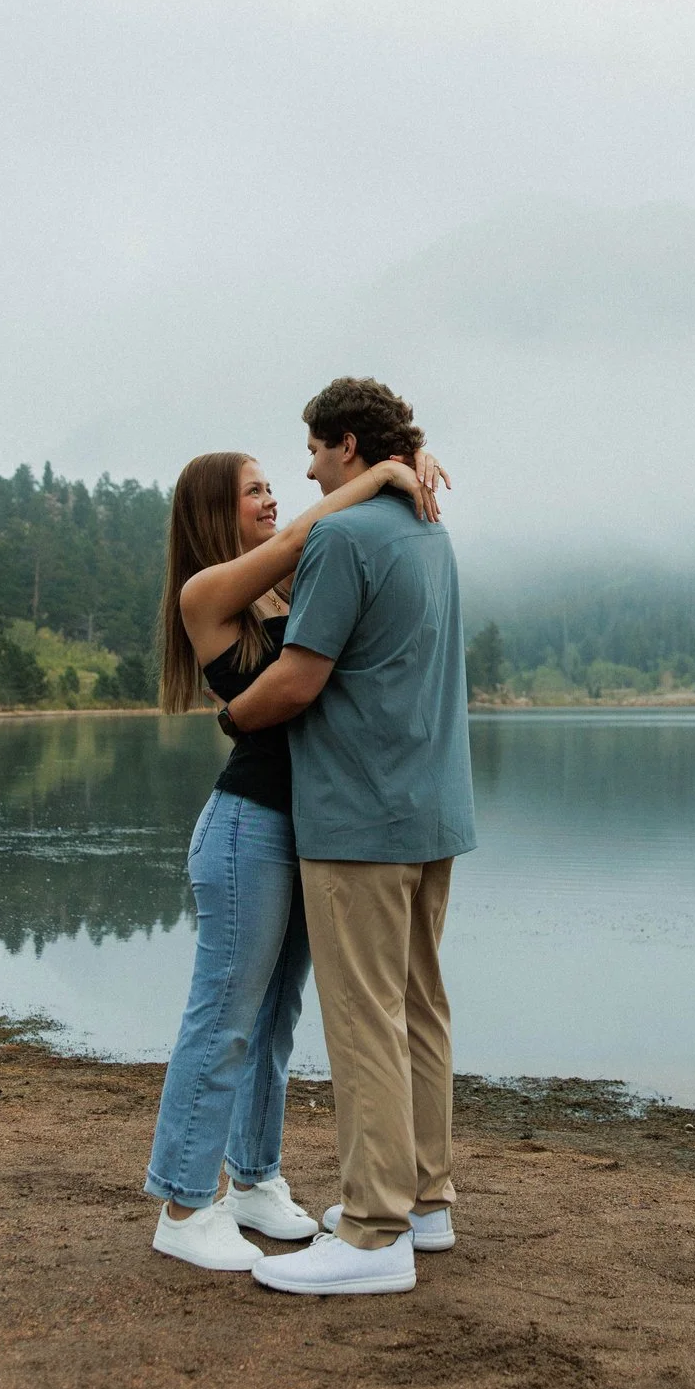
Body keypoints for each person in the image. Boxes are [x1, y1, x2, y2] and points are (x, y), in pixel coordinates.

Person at [142, 443, 446, 1271]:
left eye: (276, 486)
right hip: (248, 827)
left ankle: (253, 1179)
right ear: (214, 511)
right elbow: (299, 543)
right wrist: (379, 474)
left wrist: (398, 457)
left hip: (309, 826)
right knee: (224, 1017)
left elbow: (320, 556)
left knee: (274, 1019)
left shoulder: (281, 586)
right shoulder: (207, 591)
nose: (272, 500)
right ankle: (180, 1200)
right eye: (254, 492)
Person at [216, 377, 477, 1298]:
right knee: (418, 1005)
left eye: (317, 452)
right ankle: (426, 1200)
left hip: (361, 818)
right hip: (435, 809)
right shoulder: (429, 531)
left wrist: (230, 717)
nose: (310, 469)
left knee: (364, 1015)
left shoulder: (343, 535)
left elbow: (298, 678)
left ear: (350, 447)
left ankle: (372, 1233)